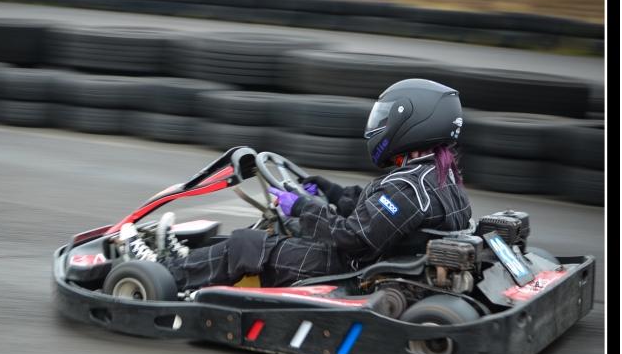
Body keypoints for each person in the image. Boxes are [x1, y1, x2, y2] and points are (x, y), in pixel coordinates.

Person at [119, 78, 472, 290]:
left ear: (411, 121)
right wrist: (330, 192)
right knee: (282, 226)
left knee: (246, 244)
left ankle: (163, 274)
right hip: (377, 259)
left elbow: (355, 237)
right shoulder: (438, 177)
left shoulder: (408, 188)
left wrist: (302, 205)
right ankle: (192, 263)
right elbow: (378, 216)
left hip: (350, 270)